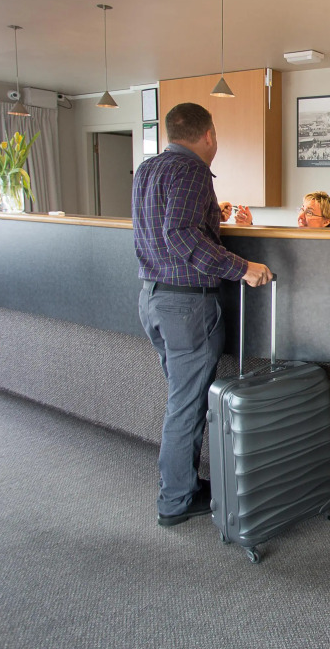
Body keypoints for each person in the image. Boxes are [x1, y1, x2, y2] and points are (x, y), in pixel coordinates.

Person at [132, 102, 272, 527]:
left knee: (182, 399)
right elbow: (180, 235)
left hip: (153, 298)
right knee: (186, 405)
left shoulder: (148, 169)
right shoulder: (192, 170)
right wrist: (242, 268)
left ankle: (182, 486)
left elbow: (165, 229)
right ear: (209, 134)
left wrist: (210, 216)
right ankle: (176, 500)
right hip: (186, 305)